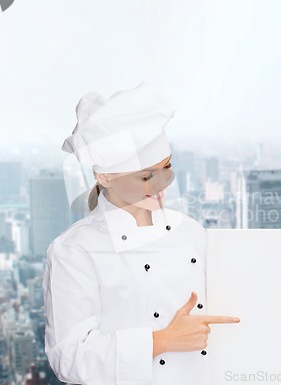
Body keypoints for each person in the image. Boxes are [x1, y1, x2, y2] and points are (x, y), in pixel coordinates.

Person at [42, 82, 240, 385]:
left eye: (166, 168)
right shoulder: (74, 250)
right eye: (146, 176)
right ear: (104, 176)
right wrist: (162, 340)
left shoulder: (191, 232)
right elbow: (70, 358)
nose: (160, 184)